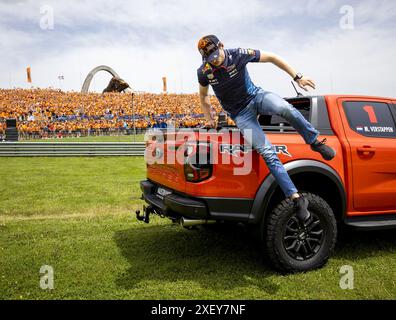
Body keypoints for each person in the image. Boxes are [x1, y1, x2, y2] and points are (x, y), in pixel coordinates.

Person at [197, 35, 336, 222]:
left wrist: (297, 76)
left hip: (256, 96)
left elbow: (271, 57)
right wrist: (208, 117)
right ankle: (296, 198)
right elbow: (203, 96)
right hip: (241, 114)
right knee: (267, 153)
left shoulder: (238, 54)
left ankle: (314, 141)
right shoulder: (204, 71)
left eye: (215, 55)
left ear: (221, 46)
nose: (214, 60)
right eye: (209, 58)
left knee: (285, 108)